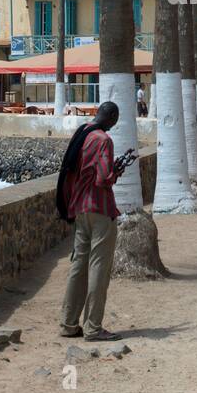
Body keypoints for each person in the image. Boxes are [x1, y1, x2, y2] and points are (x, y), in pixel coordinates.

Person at [58, 101, 128, 342]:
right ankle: (93, 328)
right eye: (115, 120)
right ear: (112, 117)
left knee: (78, 266)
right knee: (99, 266)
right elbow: (103, 178)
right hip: (100, 208)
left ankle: (68, 323)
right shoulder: (103, 140)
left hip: (79, 208)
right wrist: (117, 171)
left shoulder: (83, 132)